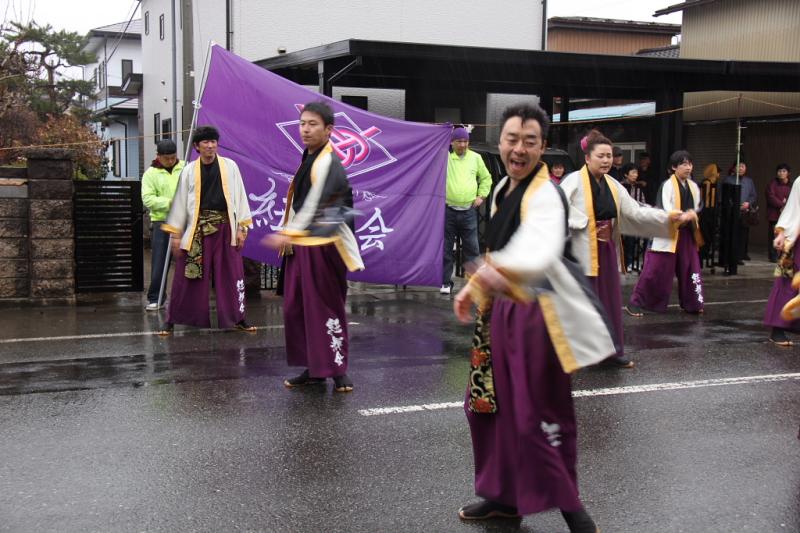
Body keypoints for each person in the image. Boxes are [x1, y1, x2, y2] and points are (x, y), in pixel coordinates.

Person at [453, 102, 615, 533]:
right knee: (489, 408)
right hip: (501, 313)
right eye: (511, 139)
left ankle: (574, 511)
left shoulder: (547, 195)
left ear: (543, 147)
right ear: (500, 143)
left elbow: (538, 250)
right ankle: (502, 497)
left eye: (530, 141)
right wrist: (477, 286)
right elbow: (498, 253)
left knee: (536, 415)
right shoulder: (504, 189)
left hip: (539, 317)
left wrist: (488, 274)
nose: (519, 149)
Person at [560, 131, 690, 369]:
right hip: (582, 249)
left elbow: (635, 211)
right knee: (583, 303)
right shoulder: (573, 181)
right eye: (601, 156)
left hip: (606, 250)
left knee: (608, 301)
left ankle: (610, 352)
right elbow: (557, 207)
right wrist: (585, 223)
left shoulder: (613, 184)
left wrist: (669, 216)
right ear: (587, 158)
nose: (607, 160)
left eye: (609, 156)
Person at [266, 101, 364, 393]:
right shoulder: (309, 156)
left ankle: (337, 370)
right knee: (299, 309)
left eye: (313, 124)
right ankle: (314, 368)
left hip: (324, 245)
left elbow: (317, 202)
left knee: (326, 307)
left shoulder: (327, 161)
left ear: (329, 129)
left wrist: (290, 232)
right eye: (302, 124)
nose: (306, 129)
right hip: (303, 245)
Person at [158, 126, 255, 334]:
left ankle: (237, 318)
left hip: (225, 228)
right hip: (197, 231)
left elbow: (240, 197)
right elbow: (180, 202)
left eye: (213, 141)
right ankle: (172, 319)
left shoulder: (231, 167)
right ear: (196, 147)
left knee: (232, 274)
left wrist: (242, 229)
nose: (210, 146)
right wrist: (176, 234)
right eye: (205, 142)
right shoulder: (188, 171)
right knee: (187, 276)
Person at [626, 151, 705, 316]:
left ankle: (693, 303)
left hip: (687, 234)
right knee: (656, 269)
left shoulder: (693, 186)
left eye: (690, 163)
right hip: (668, 232)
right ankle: (636, 302)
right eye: (683, 164)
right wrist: (682, 215)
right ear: (674, 167)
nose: (688, 167)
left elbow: (697, 206)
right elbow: (665, 209)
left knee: (691, 269)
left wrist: (692, 213)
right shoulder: (667, 185)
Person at [441, 127, 492, 295]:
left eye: (465, 142)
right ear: (452, 142)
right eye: (459, 141)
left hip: (468, 211)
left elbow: (486, 178)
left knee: (472, 250)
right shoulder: (445, 158)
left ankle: (474, 284)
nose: (462, 145)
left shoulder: (476, 158)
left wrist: (481, 196)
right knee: (447, 249)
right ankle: (445, 282)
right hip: (449, 210)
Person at [141, 139, 185, 310]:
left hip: (184, 220)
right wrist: (170, 203)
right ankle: (155, 297)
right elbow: (148, 199)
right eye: (167, 158)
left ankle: (185, 298)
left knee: (188, 260)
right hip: (161, 221)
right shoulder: (150, 174)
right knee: (160, 261)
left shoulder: (185, 168)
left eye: (173, 157)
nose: (170, 161)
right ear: (158, 156)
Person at [764, 174, 800, 346]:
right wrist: (782, 232)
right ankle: (777, 328)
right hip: (797, 241)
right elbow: (793, 210)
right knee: (787, 284)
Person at [723, 161, 757, 263]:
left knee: (743, 235)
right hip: (731, 212)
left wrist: (748, 203)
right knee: (732, 234)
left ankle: (739, 256)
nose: (740, 168)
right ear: (734, 168)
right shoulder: (728, 180)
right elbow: (724, 195)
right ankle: (730, 256)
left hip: (744, 212)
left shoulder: (749, 181)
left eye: (742, 166)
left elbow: (753, 195)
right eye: (738, 166)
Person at [619, 162, 647, 270]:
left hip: (634, 217)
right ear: (626, 174)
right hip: (623, 217)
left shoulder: (638, 188)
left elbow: (642, 202)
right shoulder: (621, 186)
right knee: (626, 241)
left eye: (637, 173)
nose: (636, 175)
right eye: (633, 172)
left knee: (634, 240)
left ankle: (631, 262)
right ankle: (626, 262)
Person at [766, 164, 792, 262]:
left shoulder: (791, 185)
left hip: (787, 215)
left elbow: (793, 197)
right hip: (774, 214)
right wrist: (782, 204)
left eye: (784, 171)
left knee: (786, 235)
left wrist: (786, 206)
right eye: (779, 171)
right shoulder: (772, 184)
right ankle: (773, 256)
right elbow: (771, 197)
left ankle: (783, 255)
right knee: (774, 235)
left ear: (788, 173)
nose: (781, 173)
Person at [699, 163, 721, 265]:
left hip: (709, 213)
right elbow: (706, 201)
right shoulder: (707, 184)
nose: (718, 175)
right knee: (705, 235)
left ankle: (705, 254)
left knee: (708, 235)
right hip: (706, 214)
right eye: (717, 172)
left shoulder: (712, 183)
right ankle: (703, 254)